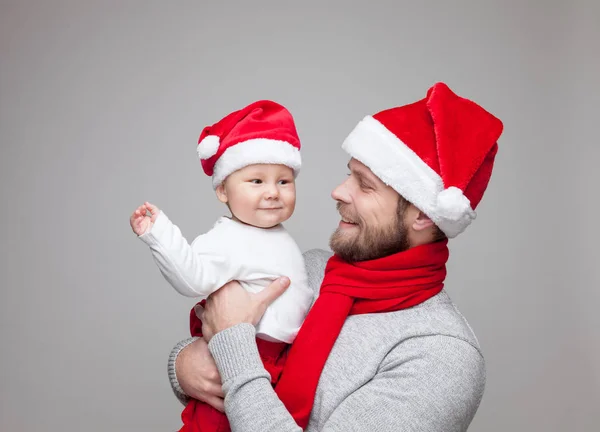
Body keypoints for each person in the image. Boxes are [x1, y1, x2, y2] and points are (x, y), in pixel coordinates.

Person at [168, 82, 504, 431]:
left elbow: (235, 351)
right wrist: (183, 365)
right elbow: (237, 372)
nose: (339, 191)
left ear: (423, 215)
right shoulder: (309, 269)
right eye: (349, 174)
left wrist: (231, 340)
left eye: (365, 184)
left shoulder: (442, 356)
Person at [130, 100, 313, 431]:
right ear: (222, 191)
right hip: (244, 357)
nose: (273, 192)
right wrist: (159, 234)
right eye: (256, 181)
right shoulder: (228, 239)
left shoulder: (273, 234)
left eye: (284, 181)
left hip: (277, 363)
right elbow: (193, 277)